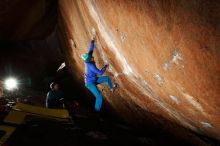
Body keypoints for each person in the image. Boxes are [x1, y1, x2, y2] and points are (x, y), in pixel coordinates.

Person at [81, 35, 116, 112]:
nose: (92, 56)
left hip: (93, 79)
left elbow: (90, 50)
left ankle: (112, 88)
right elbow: (100, 73)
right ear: (90, 60)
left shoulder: (88, 60)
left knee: (106, 78)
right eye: (91, 57)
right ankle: (96, 113)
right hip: (90, 83)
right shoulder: (91, 66)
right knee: (99, 97)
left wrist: (92, 41)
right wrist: (105, 66)